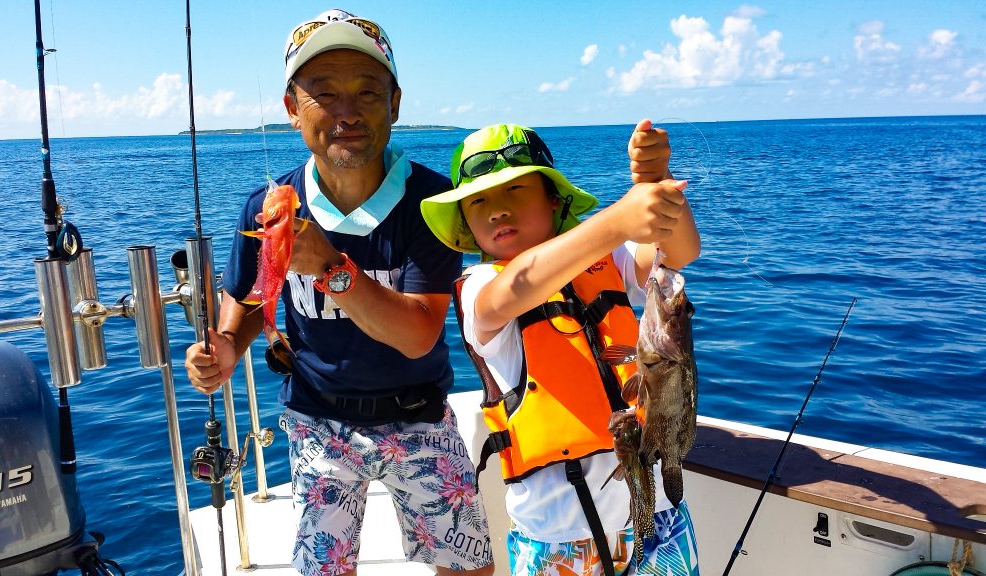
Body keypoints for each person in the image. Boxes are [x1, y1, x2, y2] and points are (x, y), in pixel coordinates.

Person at [183, 10, 496, 576]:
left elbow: (419, 334)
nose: (346, 112)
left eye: (367, 92)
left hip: (417, 413)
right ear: (292, 108)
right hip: (316, 418)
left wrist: (329, 264)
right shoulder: (268, 204)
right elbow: (253, 300)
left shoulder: (433, 202)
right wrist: (226, 346)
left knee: (470, 569)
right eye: (323, 94)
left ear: (395, 103)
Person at [419, 123, 702, 576]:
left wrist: (656, 182)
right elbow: (518, 286)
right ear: (464, 224)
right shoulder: (481, 287)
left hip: (658, 519)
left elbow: (679, 251)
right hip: (557, 539)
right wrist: (615, 221)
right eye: (479, 200)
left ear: (555, 199)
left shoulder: (609, 261)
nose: (497, 210)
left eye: (516, 190)